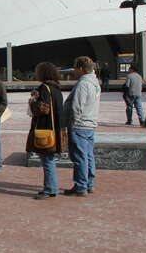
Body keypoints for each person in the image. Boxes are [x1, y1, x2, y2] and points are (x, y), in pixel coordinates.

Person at [26, 63, 67, 200]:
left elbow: (43, 109)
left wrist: (32, 102)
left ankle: (50, 189)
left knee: (47, 160)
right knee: (49, 160)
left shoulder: (44, 88)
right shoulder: (56, 88)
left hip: (45, 129)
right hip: (56, 129)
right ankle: (50, 187)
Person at [62, 56, 101, 197]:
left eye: (75, 69)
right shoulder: (95, 82)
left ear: (81, 68)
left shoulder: (83, 84)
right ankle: (89, 183)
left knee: (79, 157)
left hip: (79, 125)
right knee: (88, 155)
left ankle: (81, 186)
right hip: (90, 123)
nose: (74, 71)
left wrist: (72, 123)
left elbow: (76, 106)